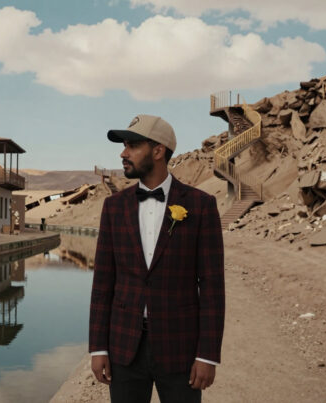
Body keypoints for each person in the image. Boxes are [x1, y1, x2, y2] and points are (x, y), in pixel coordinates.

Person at [89, 114, 225, 403]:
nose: (123, 154)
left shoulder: (201, 206)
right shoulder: (113, 207)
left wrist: (208, 354)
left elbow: (212, 286)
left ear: (158, 150)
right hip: (124, 348)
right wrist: (98, 348)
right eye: (124, 146)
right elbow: (103, 283)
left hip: (181, 349)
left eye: (132, 146)